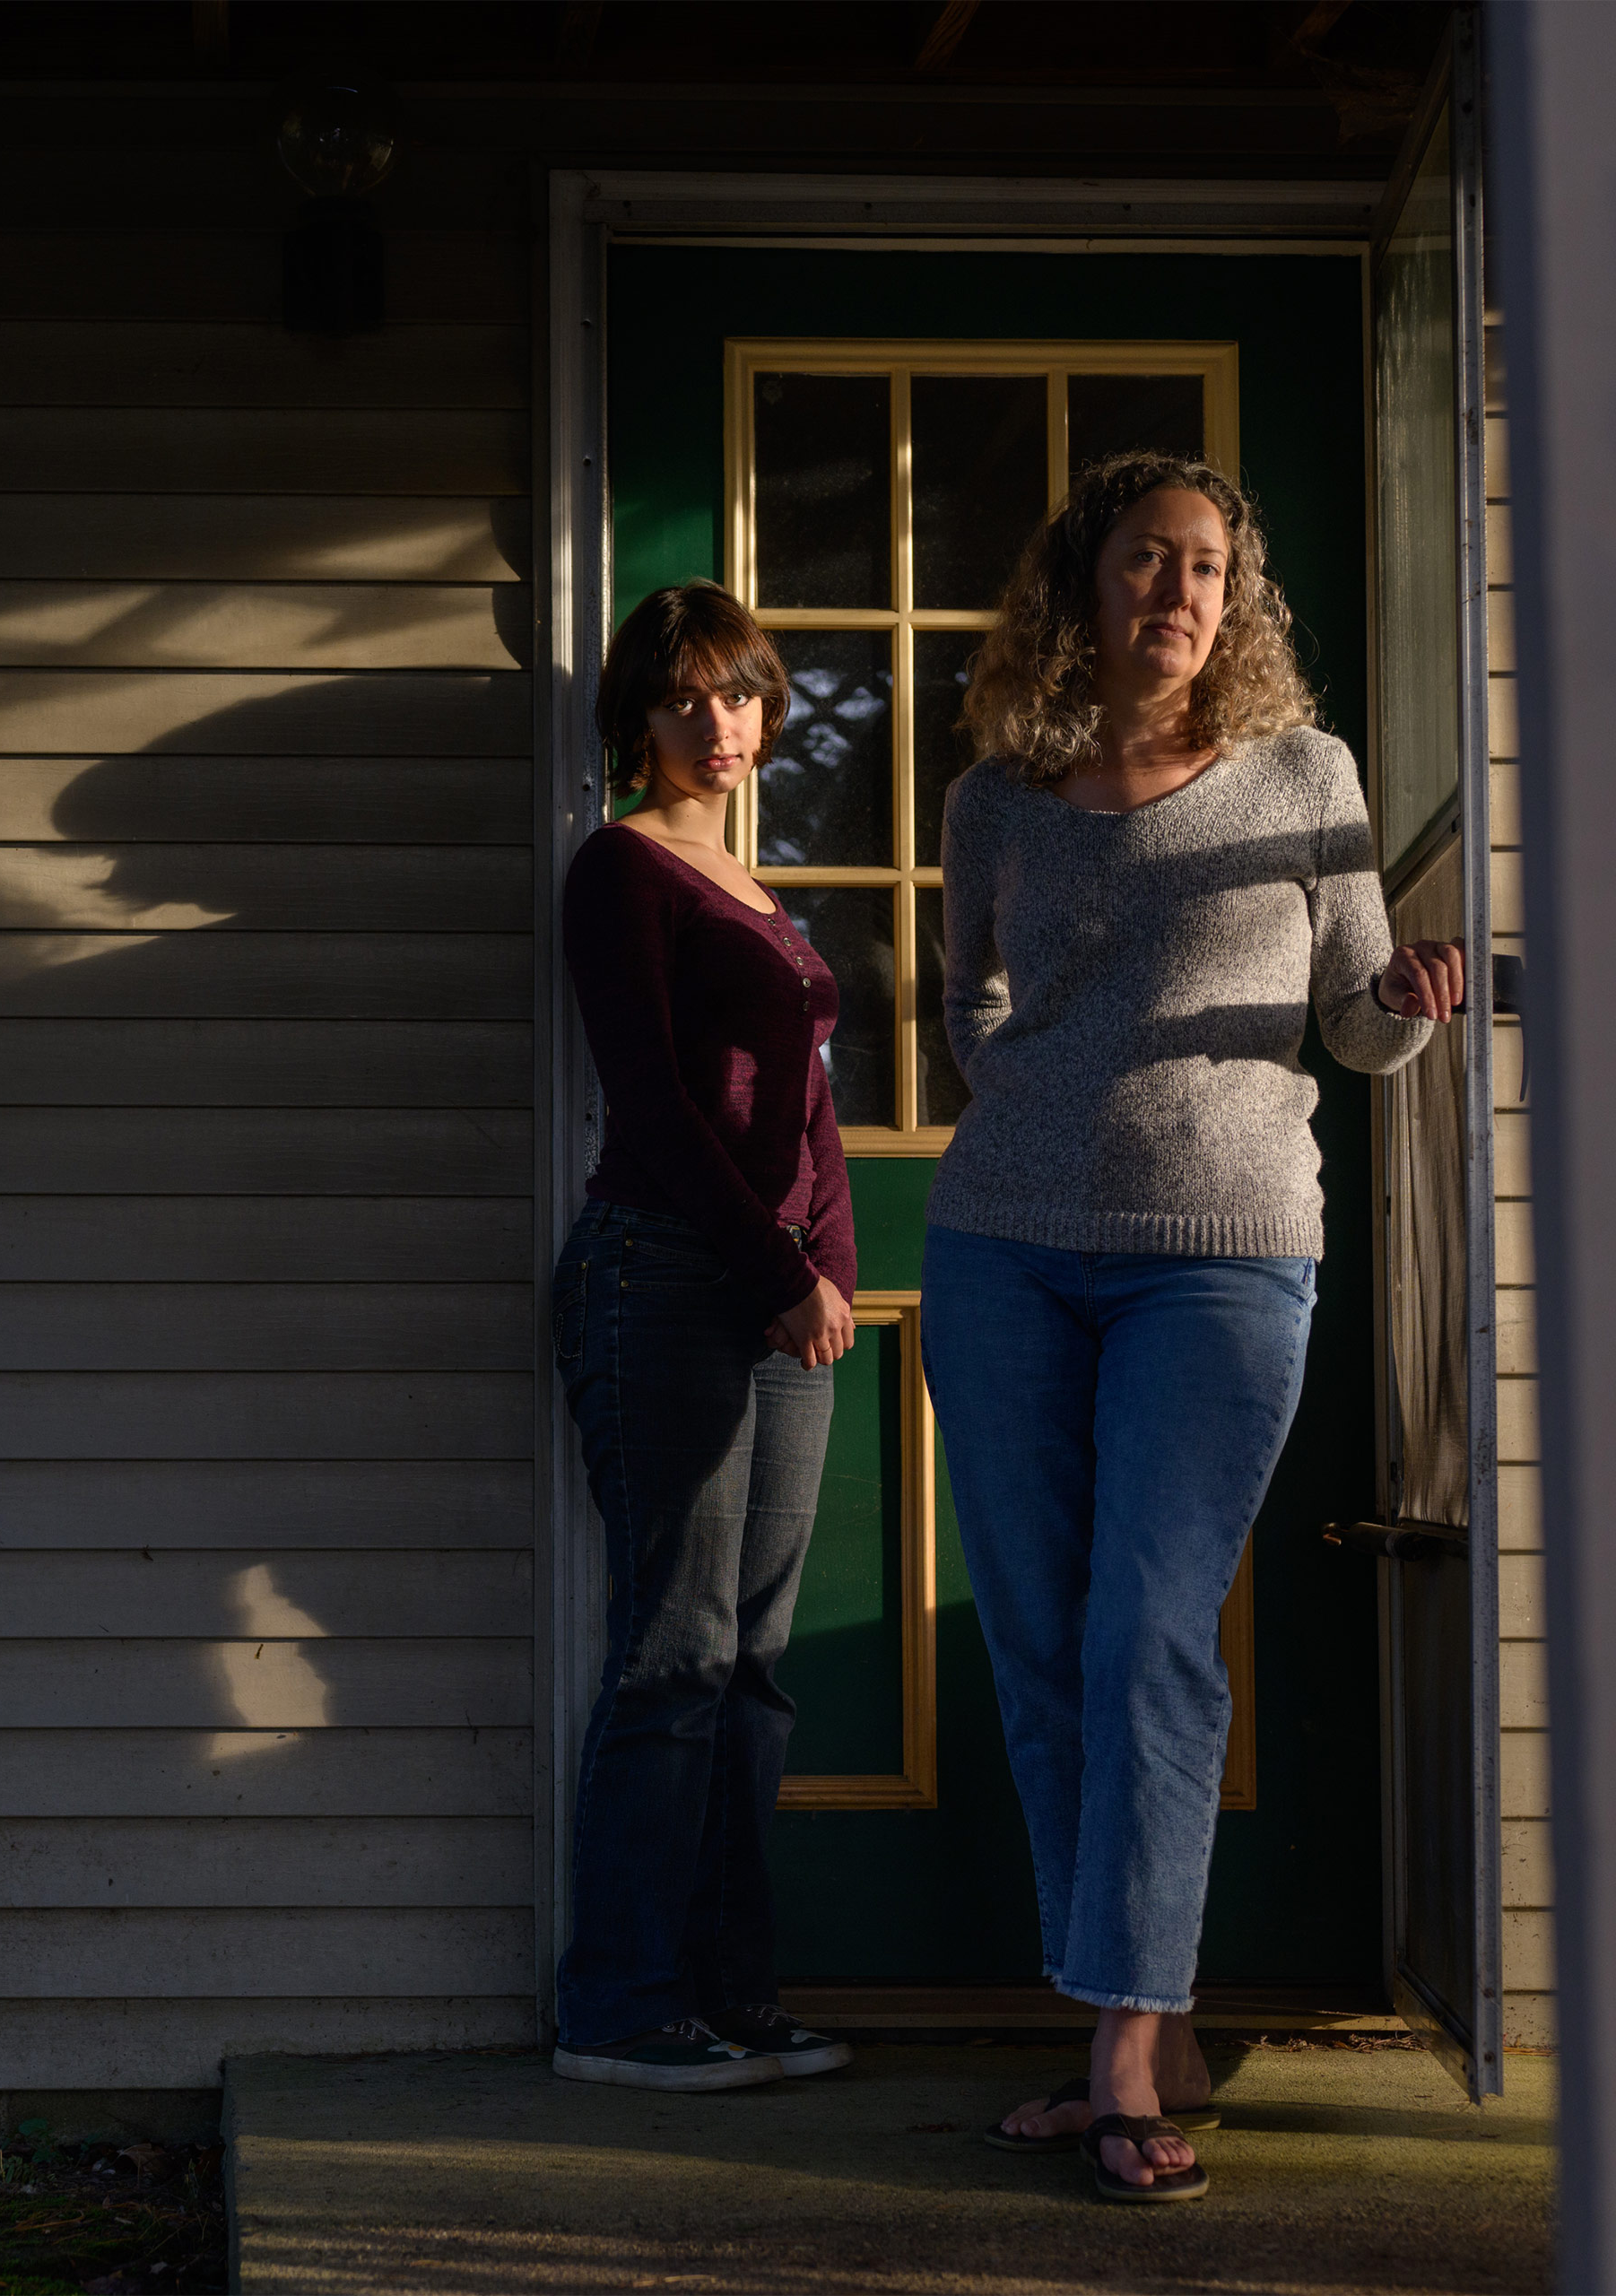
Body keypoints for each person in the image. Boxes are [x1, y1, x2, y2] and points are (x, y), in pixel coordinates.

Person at [927, 455, 1464, 2199]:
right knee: (1037, 1647)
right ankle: (1134, 2020)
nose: (1181, 593)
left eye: (1212, 569)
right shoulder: (996, 794)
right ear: (1082, 583)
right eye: (1149, 561)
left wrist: (1404, 1008)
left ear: (1240, 600)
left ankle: (1124, 2038)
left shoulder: (1308, 774)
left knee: (1150, 1631)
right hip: (1006, 1254)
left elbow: (1360, 1025)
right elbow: (969, 1016)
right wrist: (1041, 1115)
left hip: (1221, 1260)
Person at [548, 581, 864, 2093]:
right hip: (666, 1278)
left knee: (756, 1664)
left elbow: (809, 1105)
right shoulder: (620, 872)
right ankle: (619, 2004)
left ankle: (733, 1994)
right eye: (685, 700)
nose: (718, 725)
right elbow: (660, 1114)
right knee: (674, 1650)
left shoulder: (753, 887)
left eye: (738, 695)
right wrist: (773, 1268)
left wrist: (835, 1267)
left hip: (771, 1290)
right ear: (636, 720)